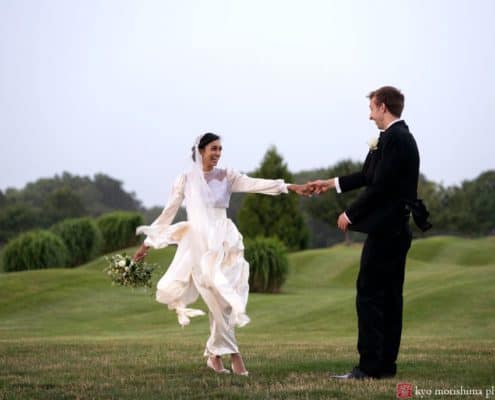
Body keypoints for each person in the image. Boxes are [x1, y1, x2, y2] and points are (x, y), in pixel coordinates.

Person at [133, 133, 308, 376]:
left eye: (220, 149)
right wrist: (147, 244)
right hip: (198, 246)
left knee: (226, 300)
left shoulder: (227, 176)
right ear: (201, 151)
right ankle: (234, 355)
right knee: (216, 299)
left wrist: (289, 187)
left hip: (225, 243)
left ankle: (214, 355)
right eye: (213, 149)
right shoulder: (185, 180)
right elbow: (168, 212)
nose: (217, 153)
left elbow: (256, 184)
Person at [309, 86, 425, 379]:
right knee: (386, 296)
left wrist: (350, 214)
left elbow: (381, 186)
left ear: (383, 106)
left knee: (371, 295)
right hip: (390, 230)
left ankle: (370, 366)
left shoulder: (398, 139)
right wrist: (332, 183)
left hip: (389, 230)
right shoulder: (390, 138)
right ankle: (384, 366)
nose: (370, 114)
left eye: (372, 107)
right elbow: (367, 176)